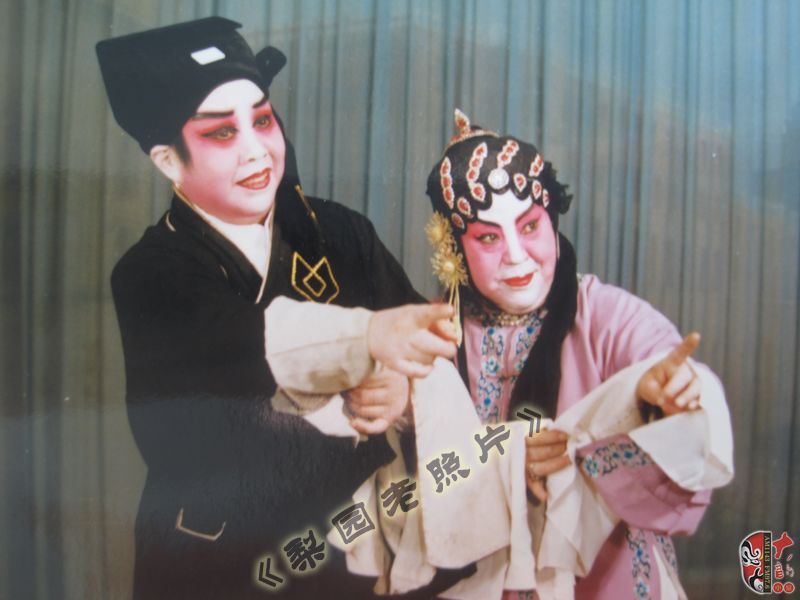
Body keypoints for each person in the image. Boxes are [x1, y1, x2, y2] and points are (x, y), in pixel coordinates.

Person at [96, 17, 463, 599]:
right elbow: (238, 343)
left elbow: (428, 343)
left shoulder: (341, 232)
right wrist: (368, 340)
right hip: (220, 555)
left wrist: (404, 393)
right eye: (222, 132)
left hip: (345, 543)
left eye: (263, 120)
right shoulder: (150, 273)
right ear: (167, 160)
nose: (257, 151)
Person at [419, 110, 732, 599]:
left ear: (551, 220)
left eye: (529, 226)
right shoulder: (430, 333)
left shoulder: (604, 314)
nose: (516, 255)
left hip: (607, 579)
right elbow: (406, 479)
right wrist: (505, 466)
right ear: (454, 249)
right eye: (488, 237)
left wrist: (662, 398)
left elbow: (666, 364)